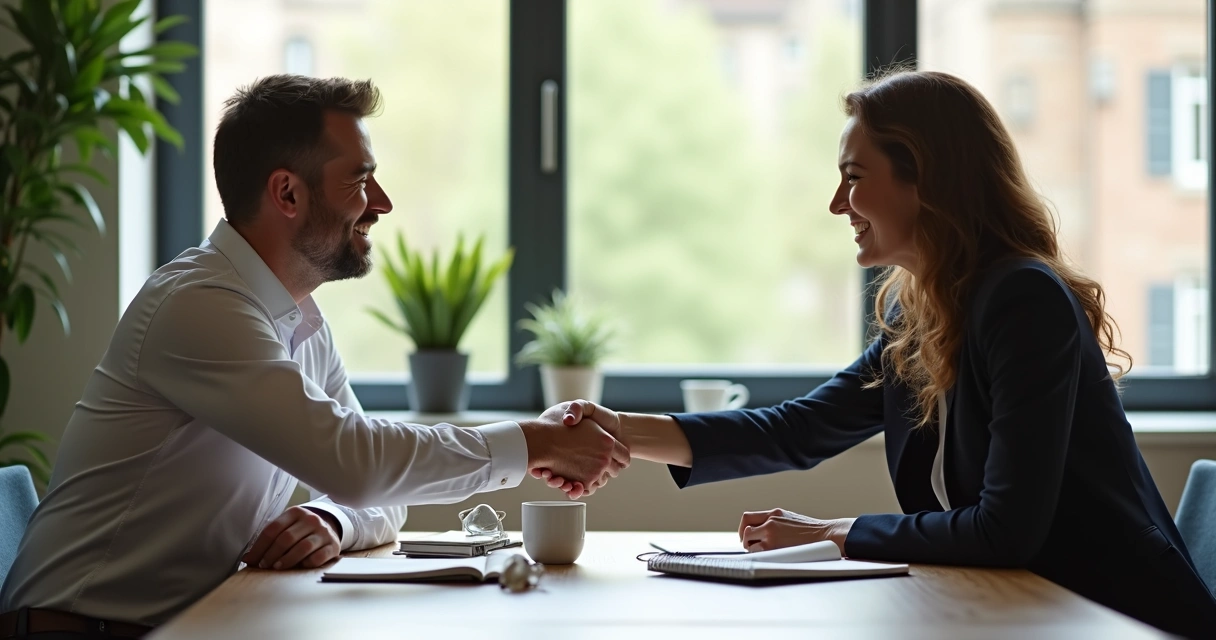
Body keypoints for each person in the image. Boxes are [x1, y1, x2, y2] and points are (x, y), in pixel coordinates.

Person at [536, 70, 1216, 638]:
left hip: (1117, 618)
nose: (839, 204)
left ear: (926, 179)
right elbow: (799, 429)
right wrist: (616, 430)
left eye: (854, 177)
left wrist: (832, 531)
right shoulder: (915, 308)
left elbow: (1006, 531)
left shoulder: (1022, 301)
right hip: (1023, 611)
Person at [0, 75, 627, 636]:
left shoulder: (297, 320)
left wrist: (331, 521)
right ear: (288, 194)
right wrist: (533, 443)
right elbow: (358, 464)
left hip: (188, 622)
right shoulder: (201, 306)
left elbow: (375, 491)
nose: (380, 203)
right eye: (359, 179)